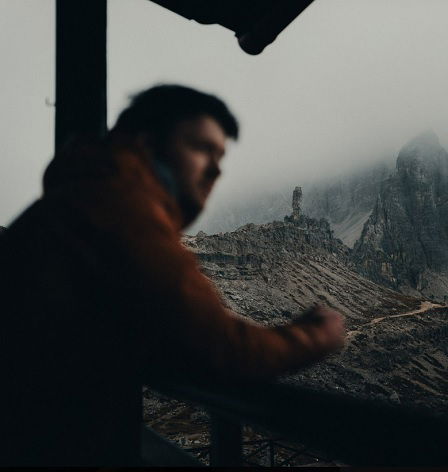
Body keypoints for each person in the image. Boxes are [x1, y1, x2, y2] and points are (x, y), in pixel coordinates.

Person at [0, 84, 346, 465]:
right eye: (201, 148)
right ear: (147, 143)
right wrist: (319, 334)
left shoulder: (87, 191)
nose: (216, 169)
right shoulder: (123, 206)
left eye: (221, 157)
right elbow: (222, 347)